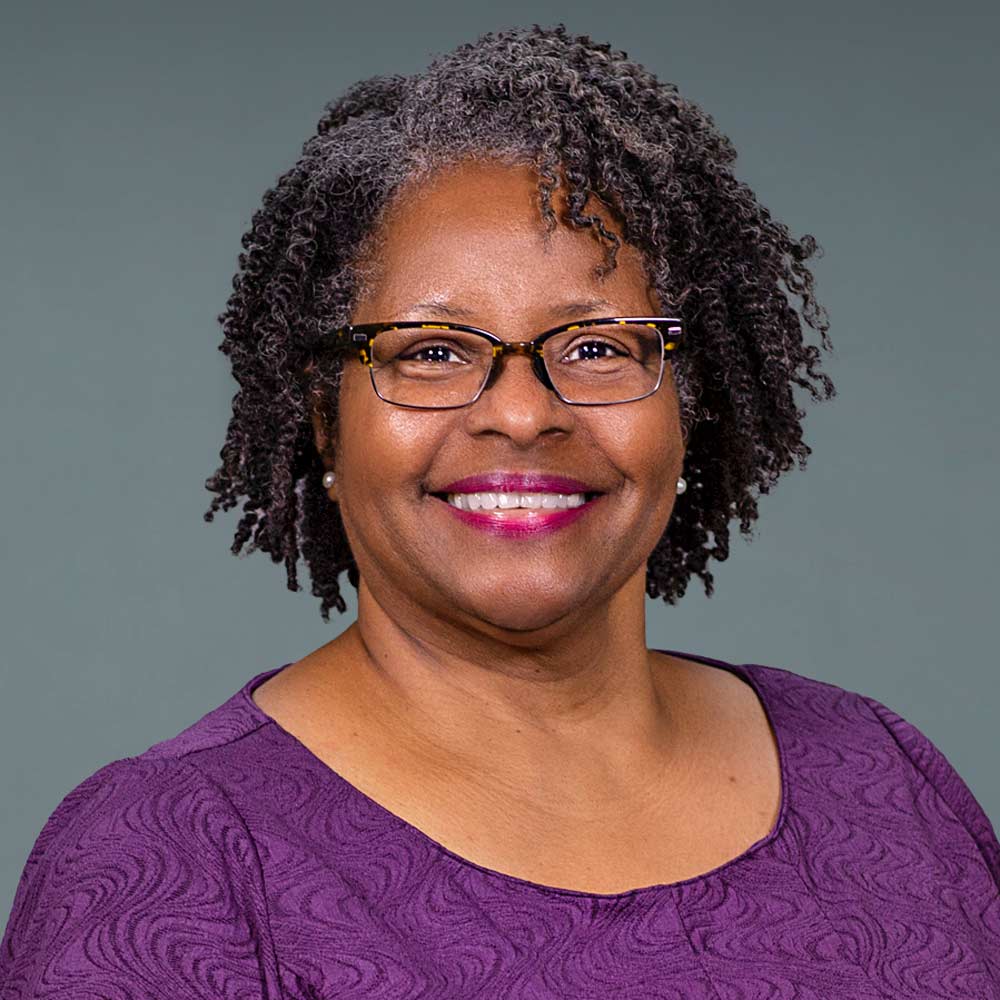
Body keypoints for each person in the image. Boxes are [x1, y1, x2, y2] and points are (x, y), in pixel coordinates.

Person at [2, 22, 997, 1000]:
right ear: (325, 417)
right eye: (432, 351)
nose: (522, 414)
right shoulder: (170, 862)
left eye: (597, 347)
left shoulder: (880, 775)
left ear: (686, 405)